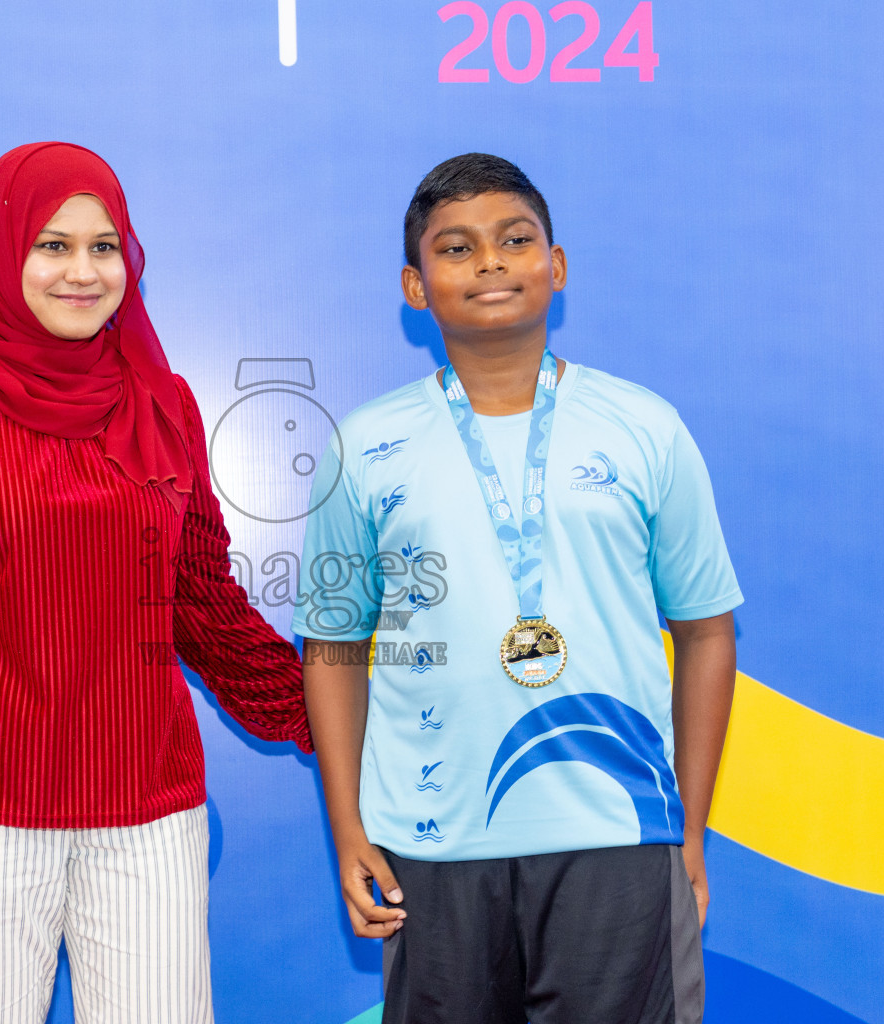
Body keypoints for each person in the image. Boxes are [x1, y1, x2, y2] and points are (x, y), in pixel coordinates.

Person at [0, 142, 311, 1024]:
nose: (83, 272)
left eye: (105, 247)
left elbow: (206, 611)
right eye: (52, 245)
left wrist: (338, 716)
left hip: (150, 818)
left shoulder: (164, 402)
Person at [296, 153, 741, 1024]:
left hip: (616, 836)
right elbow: (334, 646)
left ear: (558, 265)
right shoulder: (362, 445)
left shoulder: (647, 428)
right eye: (456, 248)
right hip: (431, 846)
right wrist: (350, 830)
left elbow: (708, 629)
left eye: (515, 240)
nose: (490, 263)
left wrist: (685, 833)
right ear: (415, 287)